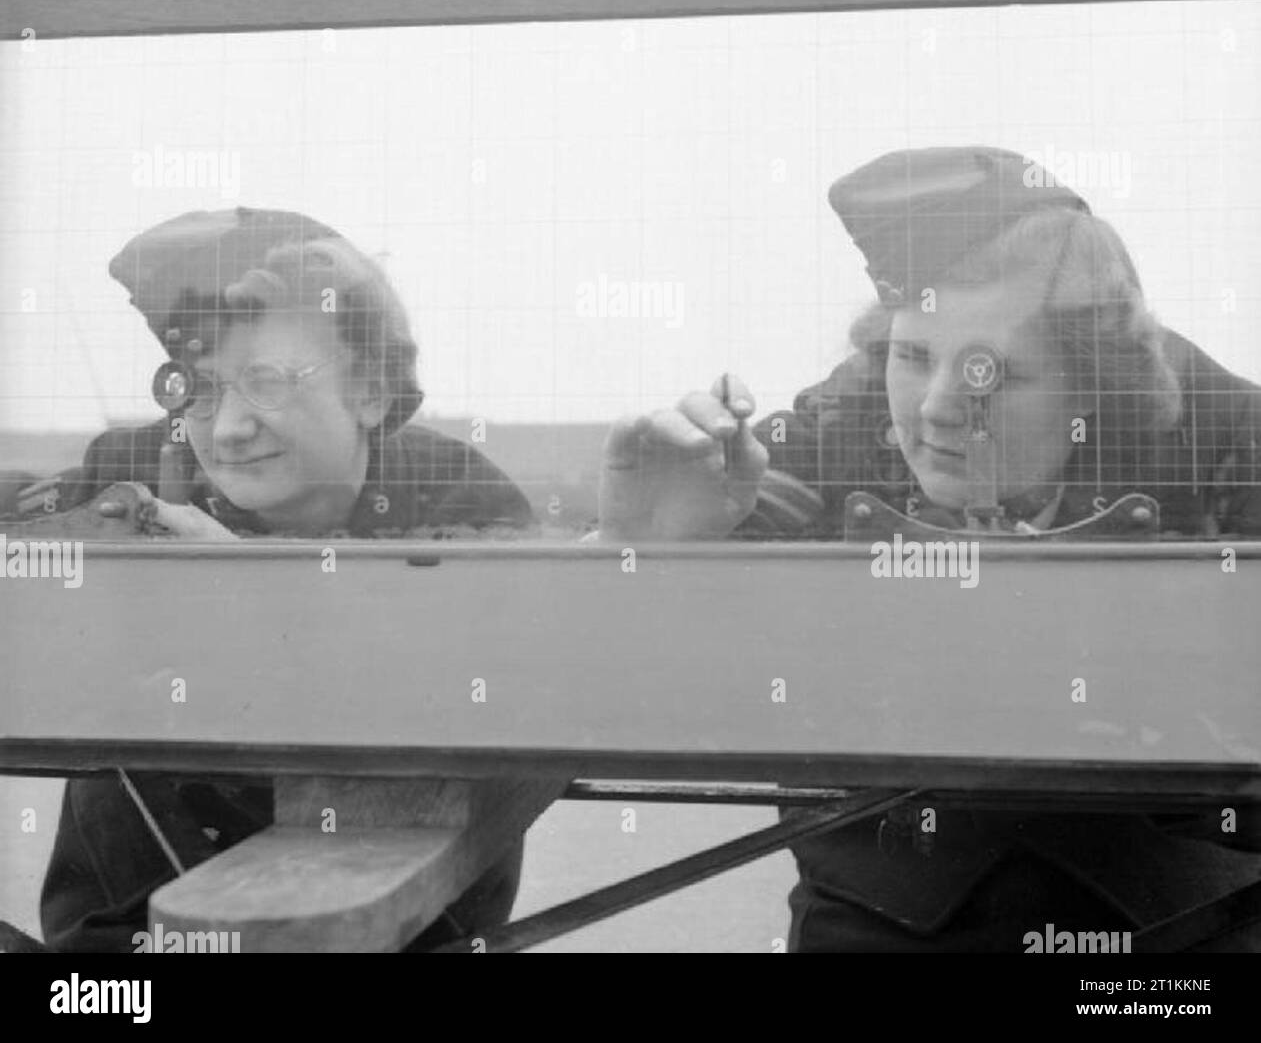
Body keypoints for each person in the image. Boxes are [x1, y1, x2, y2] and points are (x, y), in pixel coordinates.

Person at [597, 145, 1261, 951]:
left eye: (996, 375)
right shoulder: (827, 437)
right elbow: (591, 676)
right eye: (912, 357)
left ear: (1094, 383)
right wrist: (636, 551)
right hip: (874, 909)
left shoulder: (1230, 446)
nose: (938, 411)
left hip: (1172, 923)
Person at [16, 206, 535, 952]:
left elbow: (492, 689)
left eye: (265, 381)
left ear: (372, 391)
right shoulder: (134, 474)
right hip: (114, 935)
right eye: (196, 388)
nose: (224, 429)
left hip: (389, 929)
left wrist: (253, 594)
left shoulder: (460, 500)